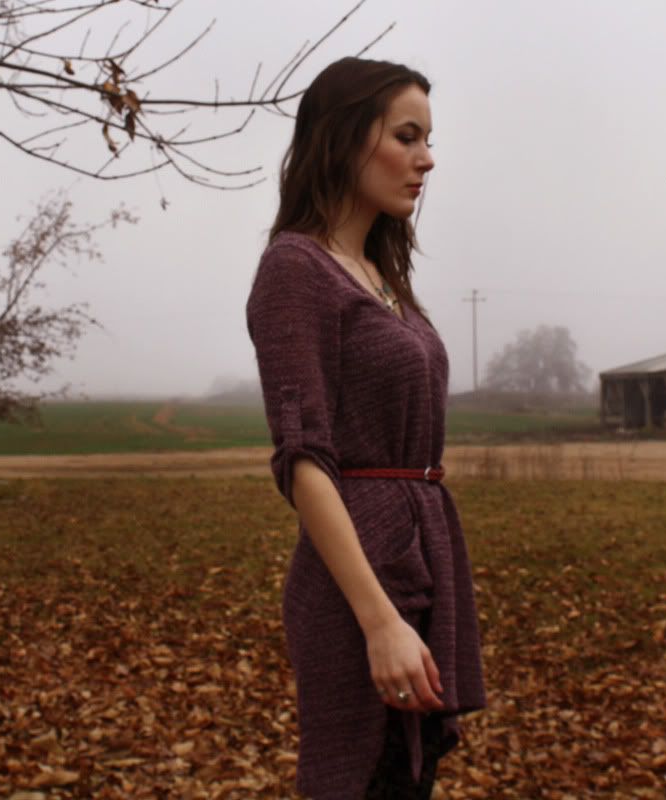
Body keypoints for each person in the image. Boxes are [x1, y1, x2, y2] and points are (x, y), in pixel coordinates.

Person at [245, 56, 486, 800]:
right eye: (406, 137)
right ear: (345, 138)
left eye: (429, 140)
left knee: (410, 779)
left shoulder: (381, 276)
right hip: (361, 585)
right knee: (366, 781)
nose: (427, 159)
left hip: (422, 559)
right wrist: (378, 621)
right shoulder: (296, 269)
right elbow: (304, 460)